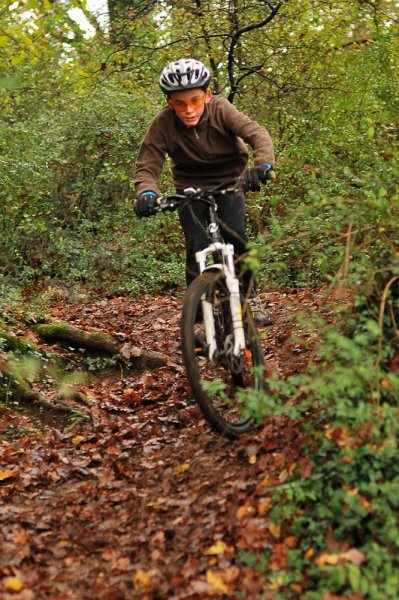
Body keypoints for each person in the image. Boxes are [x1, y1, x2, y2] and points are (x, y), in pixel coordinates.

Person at [134, 58, 275, 325]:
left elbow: (256, 134)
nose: (188, 110)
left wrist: (263, 164)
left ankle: (249, 298)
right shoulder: (163, 124)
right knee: (196, 244)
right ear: (169, 103)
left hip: (229, 181)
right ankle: (197, 320)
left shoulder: (221, 110)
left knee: (236, 239)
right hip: (189, 186)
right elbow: (147, 164)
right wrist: (147, 192)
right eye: (180, 103)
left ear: (208, 95)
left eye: (195, 101)